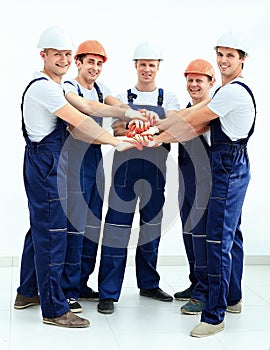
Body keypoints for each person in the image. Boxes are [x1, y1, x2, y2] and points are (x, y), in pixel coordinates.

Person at [14, 26, 149, 328]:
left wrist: (129, 114)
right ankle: (54, 308)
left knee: (42, 230)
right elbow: (81, 122)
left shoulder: (56, 87)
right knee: (53, 235)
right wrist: (117, 141)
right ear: (43, 55)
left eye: (65, 54)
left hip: (49, 163)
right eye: (57, 54)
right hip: (47, 165)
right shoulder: (46, 88)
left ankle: (27, 292)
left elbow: (89, 106)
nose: (62, 59)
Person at [154, 32, 256, 337]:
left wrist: (152, 135)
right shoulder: (225, 92)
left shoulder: (232, 93)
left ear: (242, 60)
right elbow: (190, 115)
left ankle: (214, 316)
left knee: (217, 240)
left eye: (230, 55)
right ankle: (232, 298)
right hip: (231, 165)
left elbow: (192, 121)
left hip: (227, 169)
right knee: (231, 235)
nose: (224, 60)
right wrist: (157, 126)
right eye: (220, 54)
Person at [97, 41, 180, 314]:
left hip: (156, 173)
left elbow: (175, 122)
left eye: (151, 65)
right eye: (142, 64)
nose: (147, 69)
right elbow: (118, 126)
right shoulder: (123, 95)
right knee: (116, 230)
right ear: (135, 66)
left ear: (158, 68)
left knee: (151, 230)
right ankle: (108, 293)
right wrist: (134, 124)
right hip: (125, 172)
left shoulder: (167, 99)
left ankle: (149, 284)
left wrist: (153, 126)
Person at [60, 40, 132, 313]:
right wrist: (124, 113)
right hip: (75, 159)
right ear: (77, 62)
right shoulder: (69, 88)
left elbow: (115, 105)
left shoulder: (102, 89)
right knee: (75, 225)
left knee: (92, 225)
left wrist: (134, 116)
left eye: (100, 63)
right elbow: (91, 110)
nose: (95, 67)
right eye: (90, 61)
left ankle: (80, 283)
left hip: (96, 159)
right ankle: (66, 290)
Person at [174, 59, 215, 315]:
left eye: (199, 80)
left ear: (210, 83)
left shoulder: (211, 110)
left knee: (201, 237)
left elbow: (185, 131)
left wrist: (154, 133)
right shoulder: (186, 109)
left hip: (204, 184)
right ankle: (195, 283)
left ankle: (203, 293)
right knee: (189, 235)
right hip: (185, 183)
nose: (193, 85)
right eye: (190, 80)